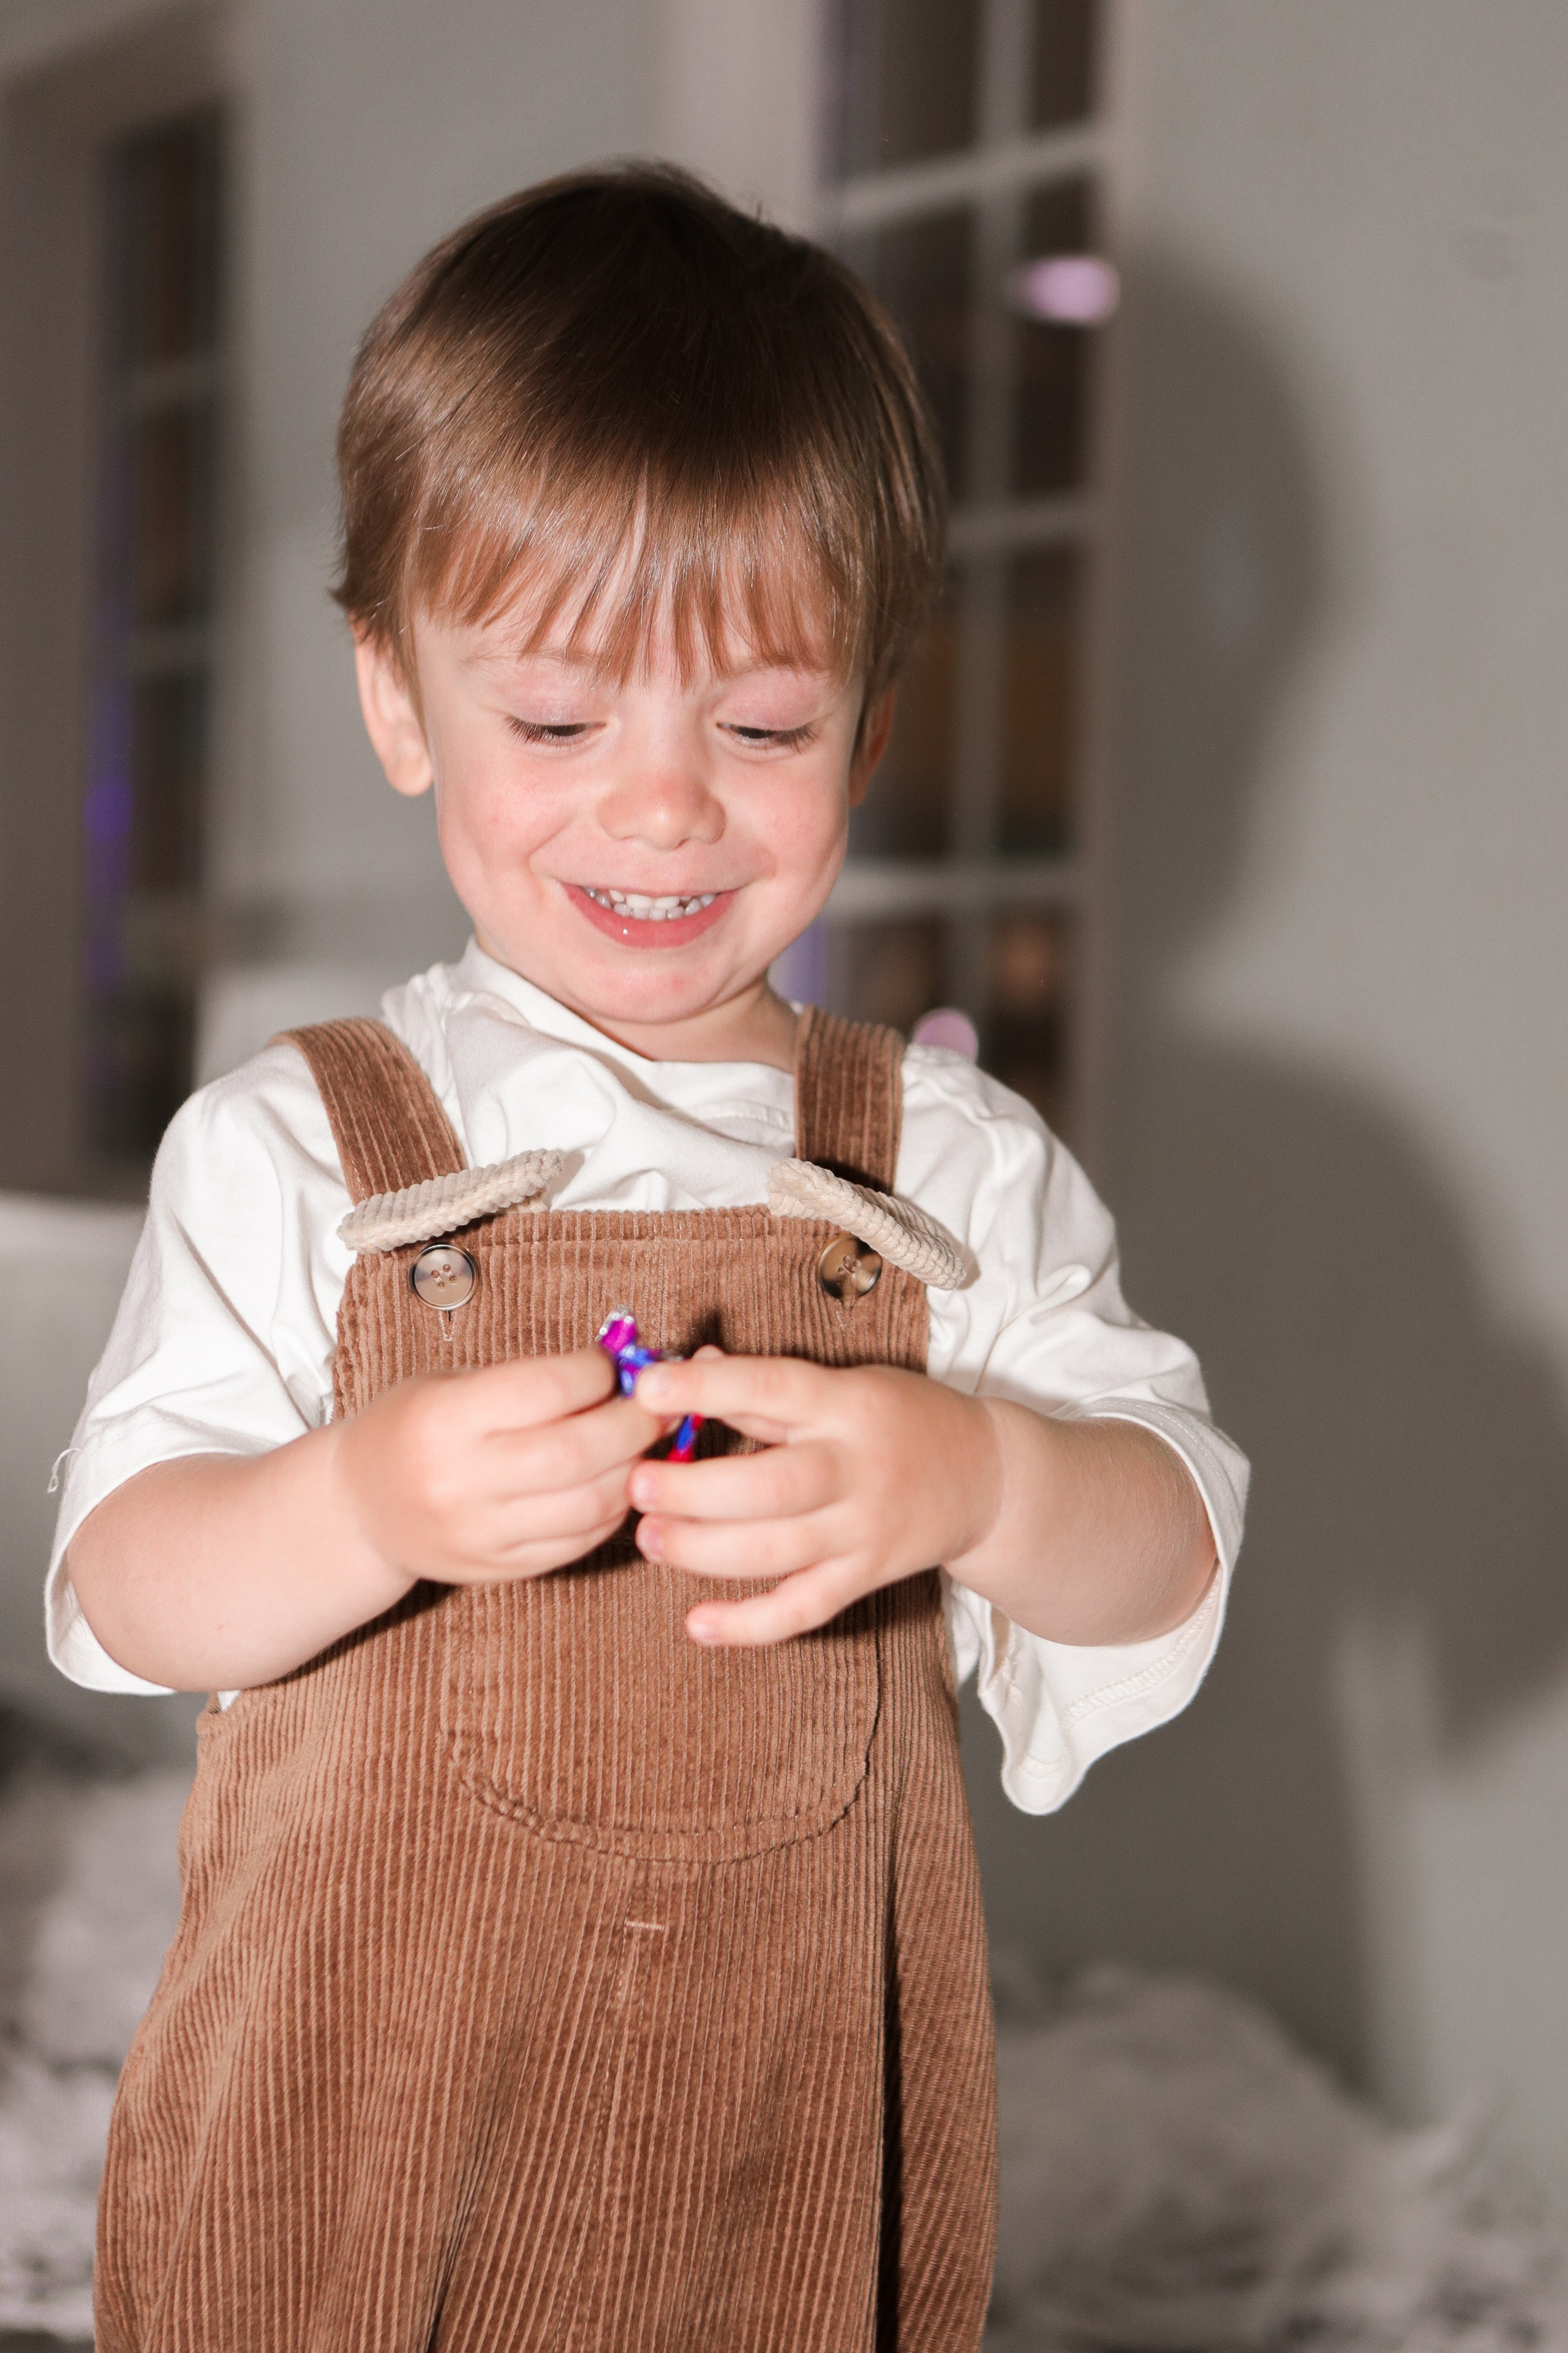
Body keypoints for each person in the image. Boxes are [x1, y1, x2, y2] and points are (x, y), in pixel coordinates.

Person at [49, 166, 1248, 2352]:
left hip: (775, 2187)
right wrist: (358, 1499)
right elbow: (123, 1592)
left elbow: (1169, 1557)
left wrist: (977, 1480)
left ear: (868, 730)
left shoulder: (936, 1171)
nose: (667, 805)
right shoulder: (297, 1145)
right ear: (400, 699)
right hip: (342, 2176)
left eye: (763, 727)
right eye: (559, 718)